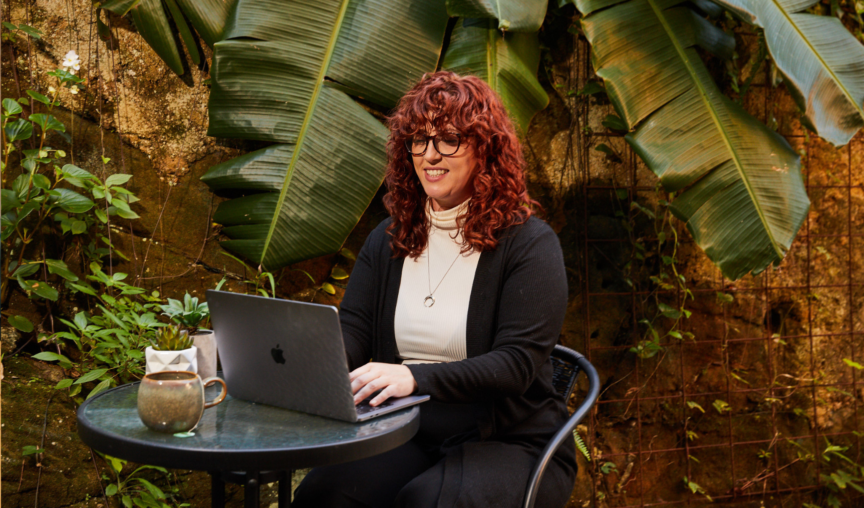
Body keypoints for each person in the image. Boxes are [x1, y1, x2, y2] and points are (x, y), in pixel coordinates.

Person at [292, 71, 576, 508]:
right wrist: (292, 359)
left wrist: (412, 376)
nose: (429, 155)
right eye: (419, 141)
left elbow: (515, 365)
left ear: (485, 149)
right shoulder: (390, 237)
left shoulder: (530, 245)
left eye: (448, 139)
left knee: (428, 502)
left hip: (511, 441)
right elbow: (354, 331)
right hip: (409, 430)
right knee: (325, 493)